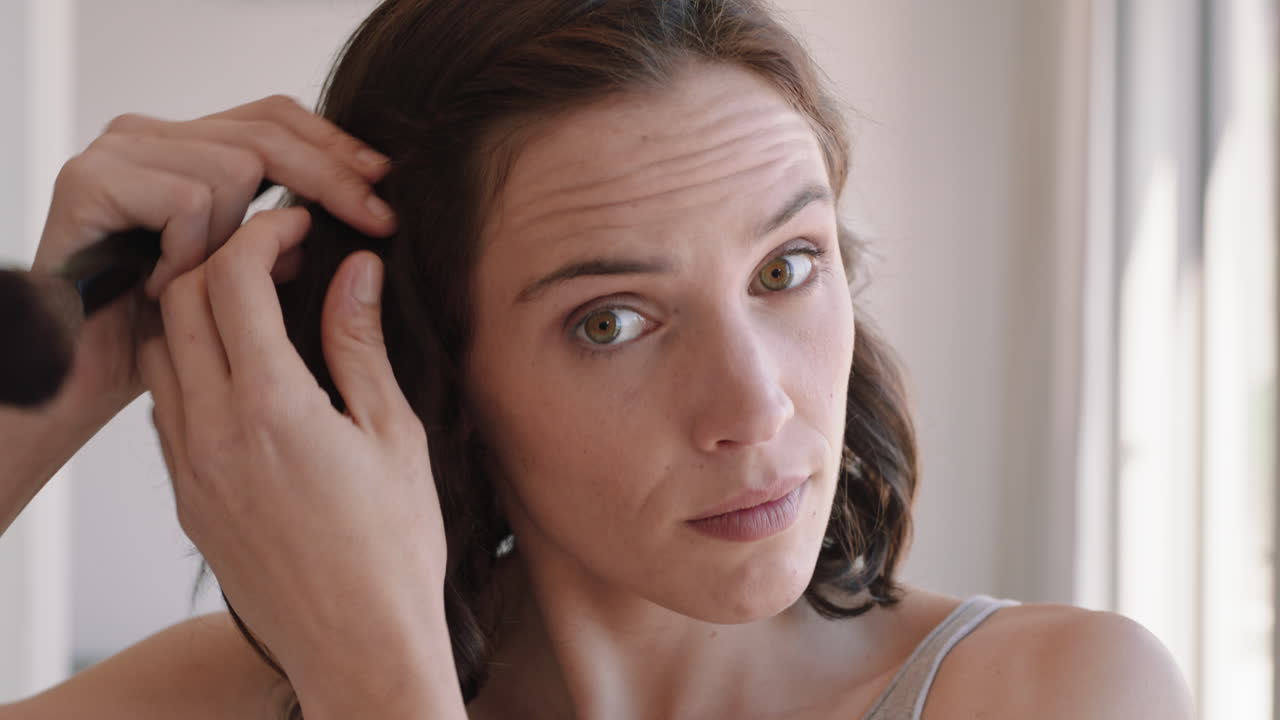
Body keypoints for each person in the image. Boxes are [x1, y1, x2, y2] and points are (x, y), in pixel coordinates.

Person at [0, 1, 1194, 718]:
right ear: (438, 373)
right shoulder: (249, 692)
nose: (754, 406)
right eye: (610, 321)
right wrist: (38, 397)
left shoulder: (1059, 694)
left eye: (785, 268)